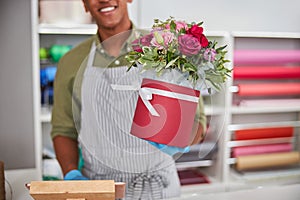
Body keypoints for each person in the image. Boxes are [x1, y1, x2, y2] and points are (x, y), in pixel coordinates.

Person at [51, 0, 207, 199]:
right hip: (101, 190)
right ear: (85, 4)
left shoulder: (166, 51)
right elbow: (63, 130)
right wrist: (72, 174)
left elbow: (198, 123)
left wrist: (183, 139)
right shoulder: (71, 62)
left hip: (160, 187)